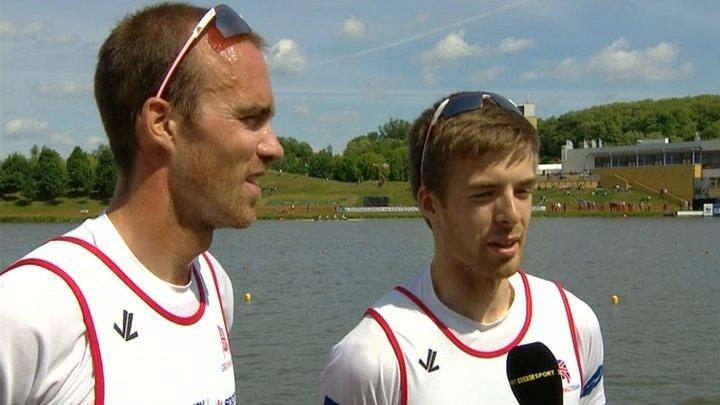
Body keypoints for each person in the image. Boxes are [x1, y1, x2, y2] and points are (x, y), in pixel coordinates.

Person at [0, 3, 283, 404]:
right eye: (251, 119)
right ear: (162, 124)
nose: (274, 147)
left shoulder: (214, 286)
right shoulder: (32, 309)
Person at [321, 91, 605, 404]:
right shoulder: (372, 359)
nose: (512, 215)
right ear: (431, 204)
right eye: (484, 194)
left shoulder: (574, 321)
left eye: (523, 190)